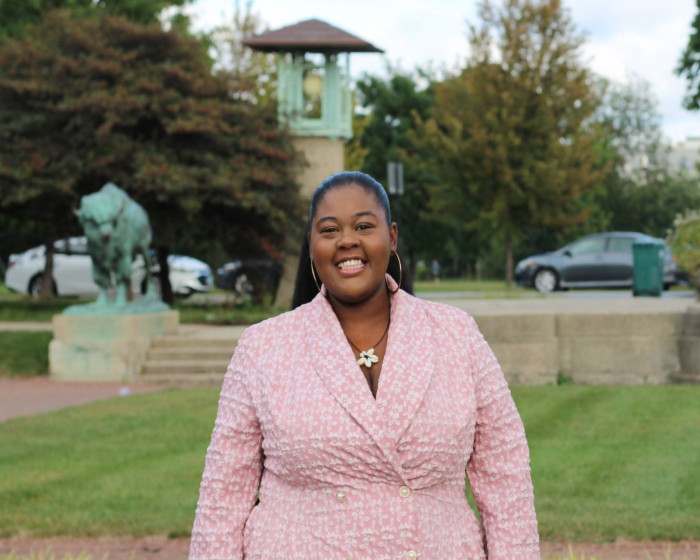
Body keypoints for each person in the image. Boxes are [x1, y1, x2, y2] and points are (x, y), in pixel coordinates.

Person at [189, 171, 540, 560]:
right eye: (329, 230)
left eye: (363, 226)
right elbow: (223, 497)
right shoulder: (264, 347)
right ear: (311, 245)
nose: (347, 240)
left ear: (392, 237)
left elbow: (505, 477)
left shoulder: (456, 334)